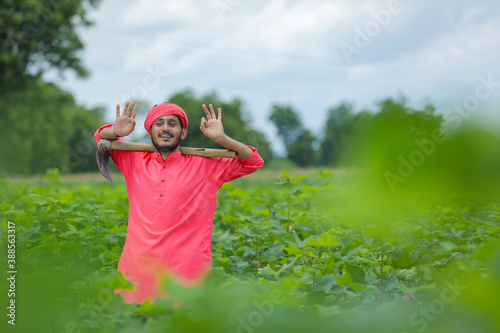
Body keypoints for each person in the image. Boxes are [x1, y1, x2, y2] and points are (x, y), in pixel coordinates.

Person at [93, 101, 264, 304]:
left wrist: (222, 139)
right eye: (159, 123)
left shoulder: (206, 166)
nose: (165, 128)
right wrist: (115, 131)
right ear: (149, 132)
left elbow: (253, 161)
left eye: (172, 124)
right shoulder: (134, 161)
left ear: (182, 133)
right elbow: (100, 137)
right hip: (137, 277)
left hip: (187, 280)